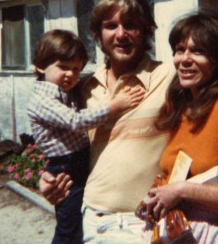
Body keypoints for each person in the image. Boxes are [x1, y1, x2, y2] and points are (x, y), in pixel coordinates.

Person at [39, 0, 218, 243]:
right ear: (97, 34)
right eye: (111, 26)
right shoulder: (83, 88)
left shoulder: (171, 78)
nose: (121, 34)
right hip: (92, 219)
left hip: (143, 223)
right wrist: (49, 179)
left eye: (131, 25)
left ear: (145, 32)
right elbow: (65, 143)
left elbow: (213, 87)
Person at [139, 13, 218, 243]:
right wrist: (157, 196)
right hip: (174, 230)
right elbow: (174, 173)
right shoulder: (181, 106)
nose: (185, 59)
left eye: (198, 51)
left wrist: (182, 191)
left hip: (209, 235)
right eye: (180, 50)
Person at [28, 29, 145, 244]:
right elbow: (75, 121)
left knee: (82, 224)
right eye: (63, 67)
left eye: (77, 69)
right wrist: (114, 106)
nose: (71, 75)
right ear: (40, 65)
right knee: (69, 229)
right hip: (66, 169)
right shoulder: (41, 99)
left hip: (81, 163)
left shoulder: (68, 91)